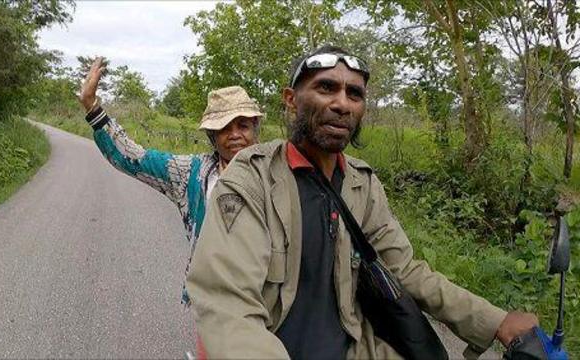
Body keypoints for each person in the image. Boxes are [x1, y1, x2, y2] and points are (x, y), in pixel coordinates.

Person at [186, 45, 539, 359]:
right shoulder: (252, 179)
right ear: (291, 99)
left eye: (354, 93)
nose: (342, 103)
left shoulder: (362, 184)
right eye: (326, 87)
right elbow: (229, 305)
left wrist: (495, 321)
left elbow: (404, 269)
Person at [79, 57, 264, 305]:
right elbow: (134, 158)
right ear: (212, 136)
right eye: (223, 128)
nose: (234, 135)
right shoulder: (192, 173)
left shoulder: (277, 172)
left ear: (255, 128)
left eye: (243, 125)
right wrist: (93, 108)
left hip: (269, 299)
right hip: (213, 301)